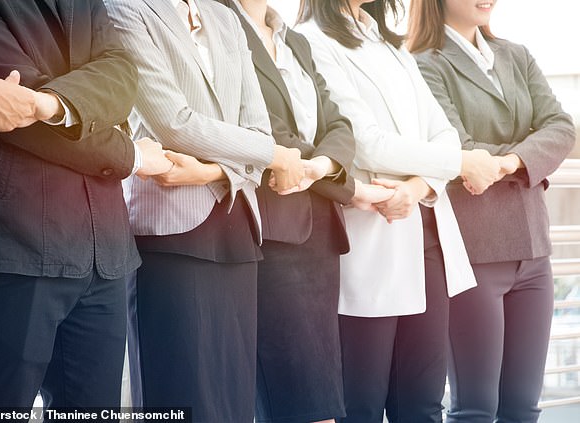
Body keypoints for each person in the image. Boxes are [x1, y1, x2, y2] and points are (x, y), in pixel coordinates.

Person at [0, 0, 173, 416]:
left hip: (103, 250)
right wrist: (131, 155)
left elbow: (122, 73)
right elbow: (6, 106)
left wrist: (48, 104)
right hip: (12, 242)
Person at [293, 0, 507, 421]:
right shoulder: (311, 41)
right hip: (372, 234)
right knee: (362, 404)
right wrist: (459, 164)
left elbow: (443, 131)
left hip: (427, 238)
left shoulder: (391, 44)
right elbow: (365, 141)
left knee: (423, 404)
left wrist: (420, 185)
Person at [104, 1, 306, 421]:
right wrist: (273, 156)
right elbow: (174, 123)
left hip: (237, 225)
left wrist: (213, 169)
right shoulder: (124, 9)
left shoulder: (224, 16)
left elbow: (258, 129)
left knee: (232, 402)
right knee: (178, 397)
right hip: (171, 230)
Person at [214, 1, 396, 422]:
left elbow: (339, 124)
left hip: (318, 237)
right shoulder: (221, 26)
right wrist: (341, 181)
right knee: (303, 405)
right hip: (272, 230)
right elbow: (263, 127)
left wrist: (322, 167)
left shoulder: (291, 38)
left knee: (321, 403)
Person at [408, 1, 577, 422]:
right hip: (473, 251)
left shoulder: (516, 55)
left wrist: (505, 163)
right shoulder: (423, 64)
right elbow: (456, 148)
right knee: (475, 409)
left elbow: (561, 127)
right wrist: (527, 153)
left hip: (534, 251)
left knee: (523, 407)